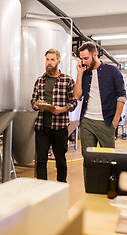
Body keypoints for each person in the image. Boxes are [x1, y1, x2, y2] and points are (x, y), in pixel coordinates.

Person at [31, 49, 77, 182]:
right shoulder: (39, 81)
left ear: (58, 61)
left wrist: (62, 109)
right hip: (41, 128)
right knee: (41, 162)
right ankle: (42, 191)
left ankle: (61, 187)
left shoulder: (67, 80)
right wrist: (37, 104)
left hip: (60, 128)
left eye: (52, 59)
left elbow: (73, 102)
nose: (49, 63)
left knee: (61, 162)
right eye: (47, 59)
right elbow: (32, 101)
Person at [74, 42, 126, 157]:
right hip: (87, 121)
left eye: (86, 58)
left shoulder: (112, 71)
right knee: (88, 158)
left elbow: (121, 96)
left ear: (95, 55)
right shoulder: (85, 74)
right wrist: (79, 74)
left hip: (106, 122)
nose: (83, 62)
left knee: (107, 159)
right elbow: (77, 96)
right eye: (81, 59)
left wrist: (115, 121)